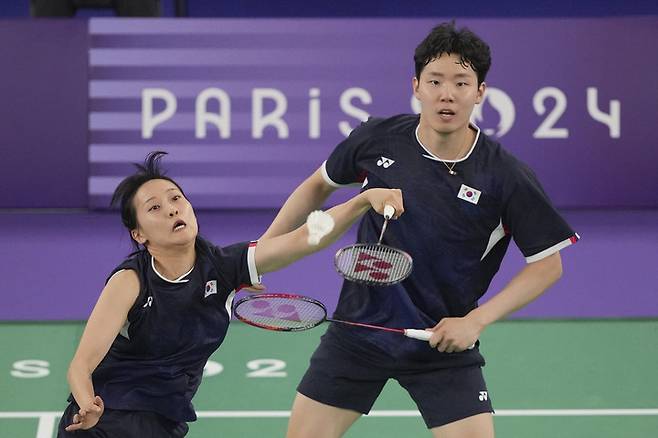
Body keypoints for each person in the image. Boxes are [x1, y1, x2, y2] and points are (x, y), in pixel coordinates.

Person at [258, 22, 580, 438]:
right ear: (417, 86)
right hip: (359, 332)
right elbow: (318, 185)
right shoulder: (377, 139)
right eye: (435, 81)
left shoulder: (506, 176)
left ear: (480, 92)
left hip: (443, 342)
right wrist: (261, 255)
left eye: (461, 82)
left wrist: (476, 322)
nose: (447, 93)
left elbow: (547, 266)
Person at [56, 151, 404, 437]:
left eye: (176, 198)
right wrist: (87, 405)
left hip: (164, 422)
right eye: (154, 208)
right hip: (107, 418)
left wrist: (363, 200)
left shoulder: (223, 267)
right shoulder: (131, 280)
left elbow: (306, 237)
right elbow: (81, 364)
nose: (172, 209)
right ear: (139, 235)